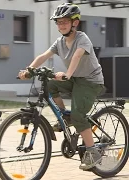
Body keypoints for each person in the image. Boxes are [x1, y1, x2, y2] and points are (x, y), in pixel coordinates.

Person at [18, 3, 104, 170]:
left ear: (75, 23)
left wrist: (68, 74)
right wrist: (29, 70)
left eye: (64, 21)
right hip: (74, 78)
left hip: (90, 81)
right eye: (58, 22)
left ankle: (93, 151)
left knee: (79, 116)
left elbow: (77, 56)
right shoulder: (60, 42)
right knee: (49, 84)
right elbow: (43, 55)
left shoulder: (82, 38)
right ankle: (66, 116)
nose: (61, 25)